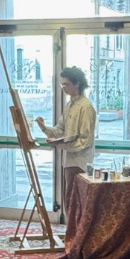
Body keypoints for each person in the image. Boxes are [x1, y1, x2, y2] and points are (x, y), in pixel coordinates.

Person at [35, 67, 96, 223]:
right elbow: (60, 130)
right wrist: (44, 128)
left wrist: (60, 145)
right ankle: (72, 232)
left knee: (77, 202)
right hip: (69, 161)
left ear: (77, 84)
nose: (63, 88)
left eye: (66, 84)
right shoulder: (69, 105)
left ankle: (77, 233)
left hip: (80, 163)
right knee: (69, 200)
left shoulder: (86, 107)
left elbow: (84, 140)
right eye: (62, 85)